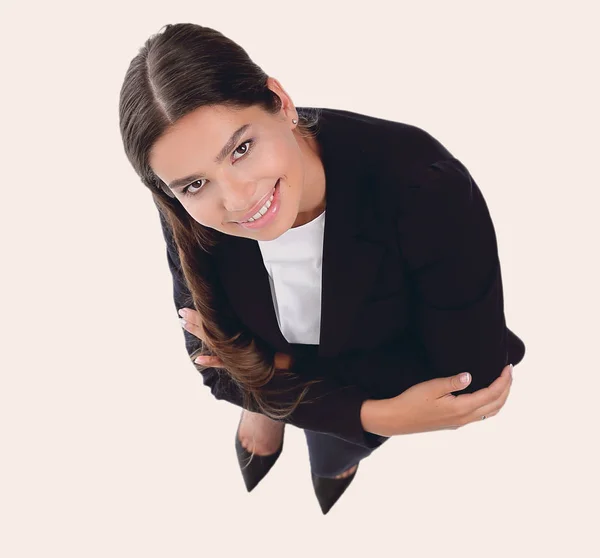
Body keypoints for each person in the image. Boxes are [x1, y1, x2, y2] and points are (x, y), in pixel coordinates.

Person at [118, 22, 526, 515]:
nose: (238, 198)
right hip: (372, 377)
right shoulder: (190, 205)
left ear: (281, 103)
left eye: (242, 149)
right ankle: (276, 417)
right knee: (297, 405)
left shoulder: (423, 187)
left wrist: (265, 368)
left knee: (334, 444)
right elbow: (211, 372)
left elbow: (470, 385)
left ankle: (311, 438)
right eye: (195, 184)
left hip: (299, 363)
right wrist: (377, 413)